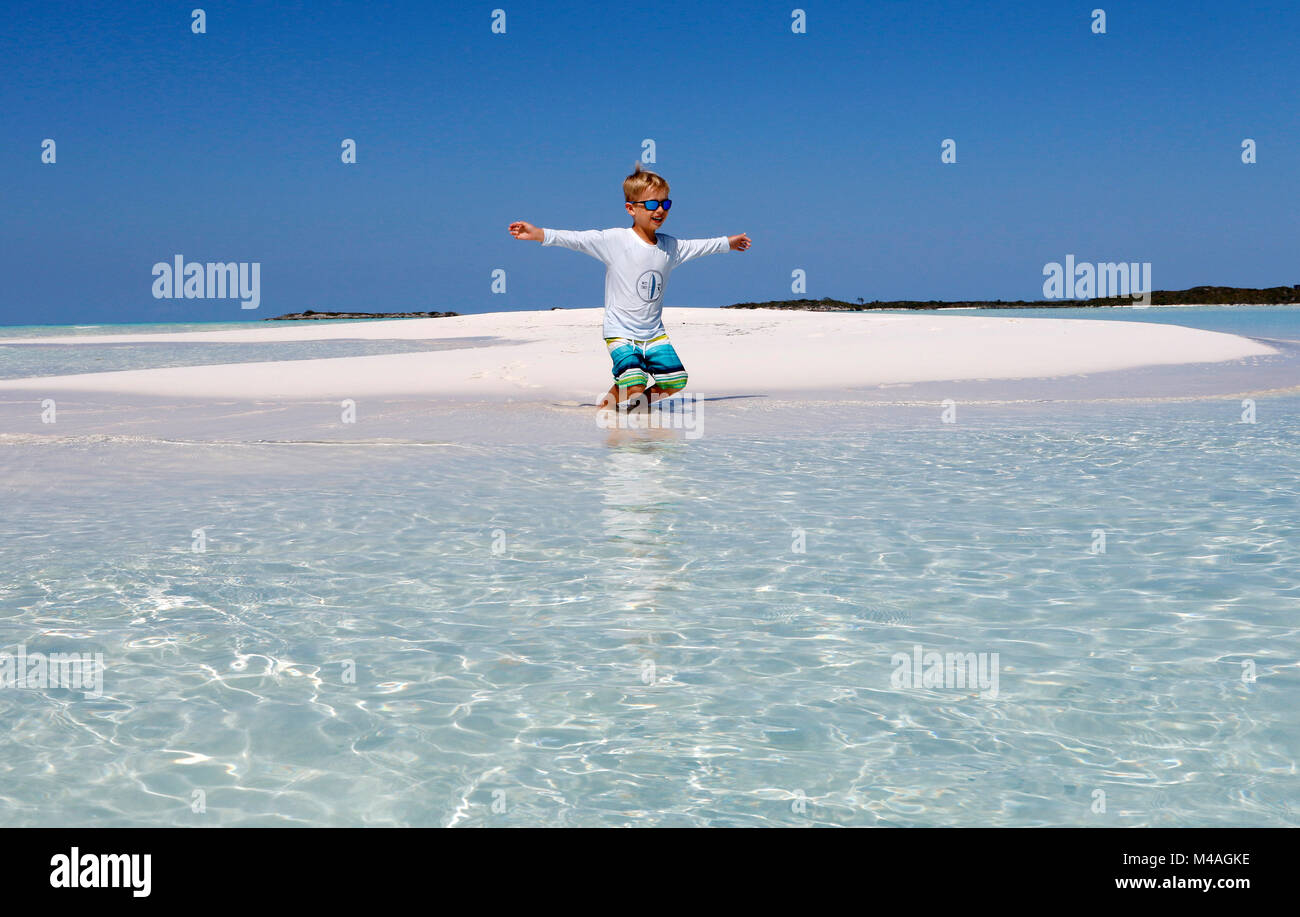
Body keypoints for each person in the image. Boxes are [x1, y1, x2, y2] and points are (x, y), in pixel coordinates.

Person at [509, 163, 751, 412]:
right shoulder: (615, 240)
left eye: (665, 204)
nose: (659, 209)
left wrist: (728, 243)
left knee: (675, 380)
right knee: (634, 384)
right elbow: (577, 239)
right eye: (651, 204)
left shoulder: (671, 247)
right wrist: (539, 234)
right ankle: (608, 405)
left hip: (654, 334)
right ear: (631, 209)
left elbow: (701, 246)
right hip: (621, 332)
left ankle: (636, 409)